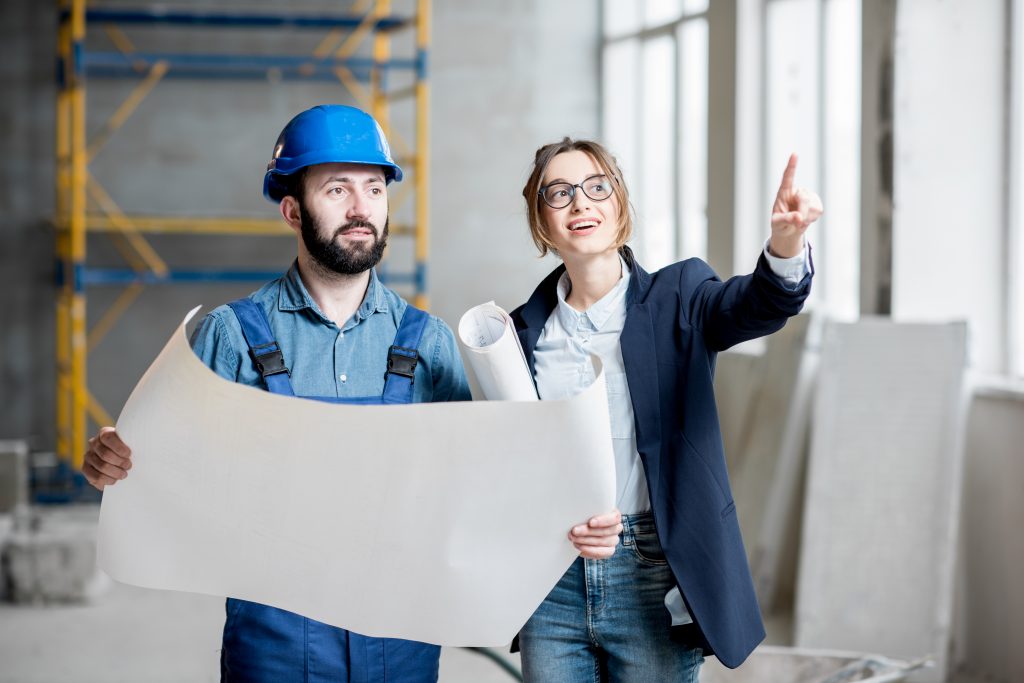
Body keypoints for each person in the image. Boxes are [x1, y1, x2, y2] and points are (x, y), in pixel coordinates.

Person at [80, 104, 471, 682]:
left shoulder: (430, 344)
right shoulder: (233, 336)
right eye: (337, 189)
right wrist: (112, 461)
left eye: (373, 189)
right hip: (275, 639)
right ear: (292, 210)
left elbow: (472, 487)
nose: (361, 208)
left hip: (400, 633)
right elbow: (158, 474)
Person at [509, 138, 821, 682]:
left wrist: (785, 245)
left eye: (596, 187)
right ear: (542, 222)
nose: (580, 203)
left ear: (619, 204)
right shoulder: (519, 333)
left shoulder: (681, 296)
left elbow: (756, 305)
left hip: (654, 573)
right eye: (558, 194)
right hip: (551, 579)